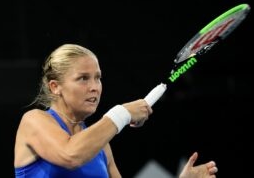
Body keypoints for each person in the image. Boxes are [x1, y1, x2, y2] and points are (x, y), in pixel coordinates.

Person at [13, 44, 218, 178]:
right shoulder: (34, 121)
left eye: (98, 77)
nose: (95, 86)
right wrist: (122, 113)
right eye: (83, 78)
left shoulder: (102, 147)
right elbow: (70, 155)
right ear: (55, 87)